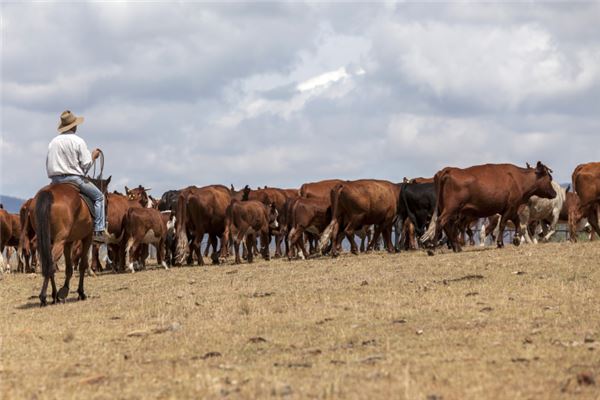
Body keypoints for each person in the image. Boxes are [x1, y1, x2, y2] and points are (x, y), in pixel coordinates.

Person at [46, 110, 109, 242]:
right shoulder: (78, 141)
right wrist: (93, 156)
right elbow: (86, 165)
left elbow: (49, 163)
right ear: (74, 126)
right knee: (99, 197)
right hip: (74, 179)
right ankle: (99, 230)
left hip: (55, 180)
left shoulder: (53, 142)